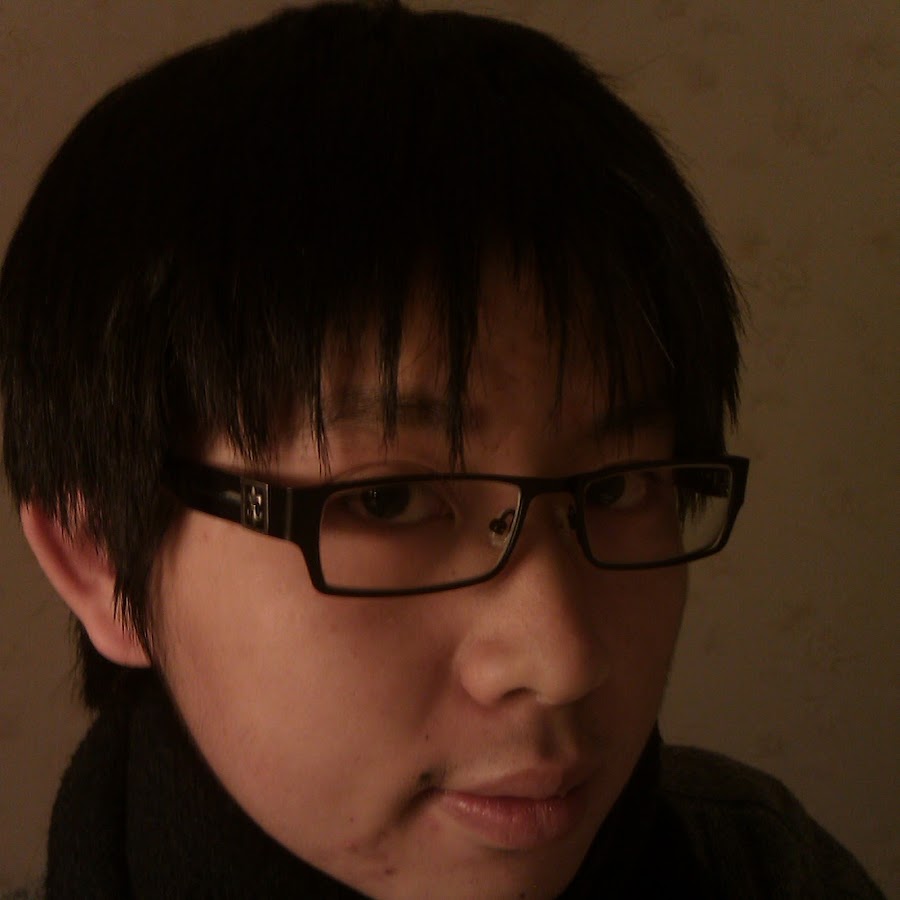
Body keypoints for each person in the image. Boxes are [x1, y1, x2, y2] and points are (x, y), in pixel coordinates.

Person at [0, 2, 885, 897]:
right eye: (388, 501)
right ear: (100, 557)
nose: (563, 661)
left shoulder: (777, 870)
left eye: (621, 488)